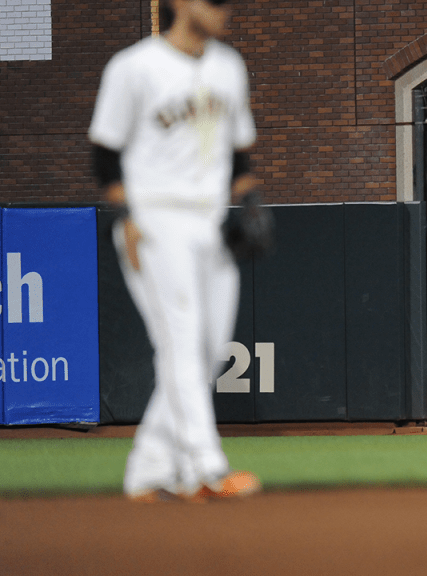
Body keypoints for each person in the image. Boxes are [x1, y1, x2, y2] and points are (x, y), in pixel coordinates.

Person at [89, 0, 261, 503]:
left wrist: (249, 200)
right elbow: (104, 155)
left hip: (210, 222)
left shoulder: (229, 67)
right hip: (156, 221)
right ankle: (205, 468)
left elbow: (239, 153)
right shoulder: (134, 67)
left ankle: (148, 470)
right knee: (182, 343)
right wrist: (128, 219)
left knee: (206, 352)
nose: (225, 9)